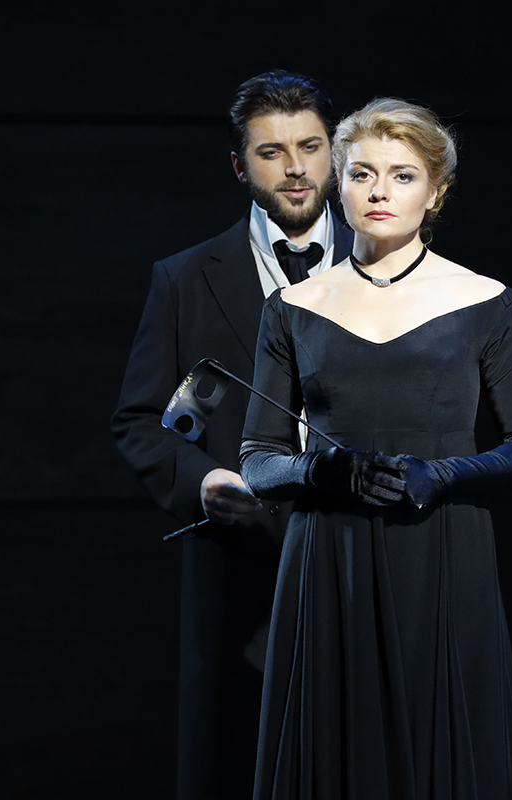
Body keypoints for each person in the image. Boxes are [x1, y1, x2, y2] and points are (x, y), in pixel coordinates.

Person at [240, 98, 512, 799]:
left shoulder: (487, 301)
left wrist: (440, 474)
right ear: (338, 186)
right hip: (328, 560)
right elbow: (258, 458)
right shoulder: (293, 308)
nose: (380, 191)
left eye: (403, 175)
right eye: (363, 174)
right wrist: (319, 468)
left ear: (435, 192)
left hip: (444, 550)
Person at [111, 71, 353, 800]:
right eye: (272, 151)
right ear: (239, 164)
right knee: (240, 766)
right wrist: (204, 482)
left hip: (370, 553)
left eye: (311, 146)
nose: (296, 167)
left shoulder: (392, 268)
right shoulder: (184, 278)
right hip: (243, 572)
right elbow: (139, 422)